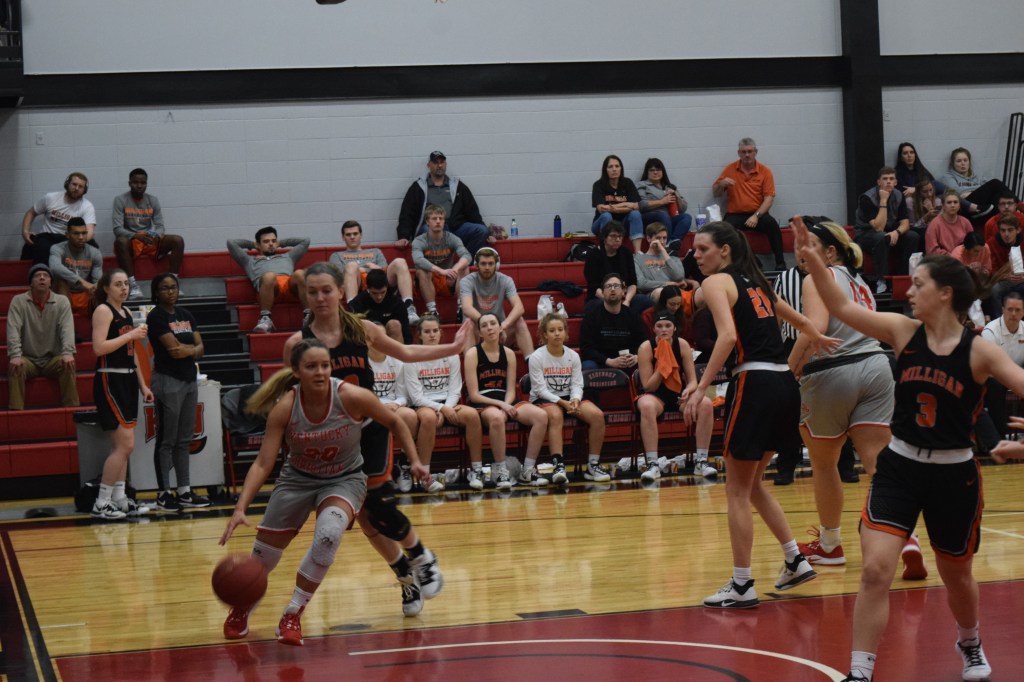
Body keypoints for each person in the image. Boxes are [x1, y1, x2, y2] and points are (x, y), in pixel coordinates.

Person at [794, 224, 1022, 682]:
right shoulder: (903, 331)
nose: (909, 291)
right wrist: (813, 260)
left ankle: (970, 642)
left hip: (954, 476)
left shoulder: (980, 351)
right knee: (876, 570)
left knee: (956, 575)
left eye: (918, 284)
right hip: (899, 467)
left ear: (945, 293)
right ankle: (860, 671)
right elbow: (841, 307)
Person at [283, 262, 472, 616]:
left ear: (341, 292)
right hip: (331, 439)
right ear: (305, 296)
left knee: (378, 506)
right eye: (313, 292)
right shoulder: (297, 344)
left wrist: (453, 347)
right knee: (367, 520)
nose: (320, 297)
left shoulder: (364, 329)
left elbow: (407, 353)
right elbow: (293, 398)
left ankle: (422, 557)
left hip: (369, 429)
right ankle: (405, 576)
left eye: (327, 290)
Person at [219, 339, 421, 645]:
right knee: (264, 557)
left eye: (325, 365)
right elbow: (263, 462)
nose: (320, 372)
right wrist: (240, 508)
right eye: (312, 366)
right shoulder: (285, 407)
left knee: (328, 535)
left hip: (344, 478)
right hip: (297, 479)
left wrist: (416, 460)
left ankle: (293, 613)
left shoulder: (351, 396)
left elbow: (395, 420)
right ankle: (243, 605)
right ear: (296, 372)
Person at [687, 221, 837, 609]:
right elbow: (800, 320)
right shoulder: (758, 283)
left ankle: (741, 584)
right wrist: (817, 337)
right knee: (752, 484)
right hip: (784, 384)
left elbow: (727, 337)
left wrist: (701, 387)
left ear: (724, 250)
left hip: (753, 383)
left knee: (736, 489)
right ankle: (795, 560)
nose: (696, 255)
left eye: (703, 248)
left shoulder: (716, 282)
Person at [786, 220, 896, 568]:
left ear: (830, 252)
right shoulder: (861, 282)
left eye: (809, 244)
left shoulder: (817, 278)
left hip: (833, 371)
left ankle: (830, 545)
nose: (801, 251)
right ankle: (907, 540)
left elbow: (816, 328)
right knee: (878, 463)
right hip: (876, 367)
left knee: (824, 463)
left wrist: (788, 370)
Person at [90, 269, 154, 520]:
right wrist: (131, 334)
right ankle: (102, 502)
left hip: (127, 379)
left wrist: (143, 385)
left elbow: (132, 352)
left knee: (123, 447)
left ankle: (119, 498)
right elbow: (98, 348)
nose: (124, 288)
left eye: (126, 283)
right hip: (110, 378)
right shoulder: (103, 311)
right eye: (118, 284)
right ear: (106, 288)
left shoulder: (126, 312)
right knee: (125, 445)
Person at [146, 273, 209, 513]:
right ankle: (164, 493)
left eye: (173, 287)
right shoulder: (156, 316)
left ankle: (184, 490)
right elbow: (173, 350)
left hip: (189, 380)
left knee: (184, 439)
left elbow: (201, 349)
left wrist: (188, 350)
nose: (170, 291)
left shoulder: (186, 315)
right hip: (167, 380)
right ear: (156, 292)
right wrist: (192, 349)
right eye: (165, 288)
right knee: (166, 439)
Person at [465, 312, 550, 487]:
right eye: (484, 325)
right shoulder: (473, 353)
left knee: (541, 416)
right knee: (497, 418)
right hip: (483, 401)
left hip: (506, 400)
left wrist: (506, 404)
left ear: (500, 327)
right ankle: (501, 471)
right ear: (480, 333)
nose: (489, 328)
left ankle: (528, 470)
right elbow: (473, 394)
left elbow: (511, 390)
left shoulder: (509, 353)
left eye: (493, 323)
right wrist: (501, 405)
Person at [404, 313, 485, 490]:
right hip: (424, 404)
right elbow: (416, 397)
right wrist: (441, 408)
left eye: (435, 331)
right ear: (419, 335)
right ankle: (425, 476)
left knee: (472, 415)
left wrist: (446, 408)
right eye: (427, 332)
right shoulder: (412, 358)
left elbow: (455, 389)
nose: (432, 335)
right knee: (428, 418)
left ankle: (477, 470)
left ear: (441, 332)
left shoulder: (451, 355)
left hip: (448, 403)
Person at [635, 311, 718, 481]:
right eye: (659, 326)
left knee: (706, 403)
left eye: (668, 326)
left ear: (674, 328)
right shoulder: (646, 347)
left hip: (679, 394)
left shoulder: (682, 344)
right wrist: (663, 366)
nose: (663, 330)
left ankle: (701, 461)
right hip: (655, 395)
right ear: (653, 329)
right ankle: (653, 464)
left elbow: (693, 380)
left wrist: (689, 390)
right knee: (646, 405)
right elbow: (648, 386)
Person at [528, 313, 610, 483]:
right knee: (555, 415)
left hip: (568, 398)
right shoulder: (536, 357)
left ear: (566, 332)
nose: (557, 333)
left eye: (560, 329)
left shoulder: (573, 356)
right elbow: (540, 390)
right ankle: (558, 465)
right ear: (544, 335)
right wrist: (562, 403)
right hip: (544, 399)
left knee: (597, 416)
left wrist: (575, 400)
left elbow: (577, 384)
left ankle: (593, 465)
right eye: (552, 330)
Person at [6, 263, 79, 410]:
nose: (41, 278)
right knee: (16, 367)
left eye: (45, 276)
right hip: (28, 359)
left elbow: (67, 329)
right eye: (37, 276)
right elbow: (13, 329)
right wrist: (15, 355)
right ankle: (16, 412)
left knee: (68, 364)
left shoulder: (62, 301)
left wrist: (68, 352)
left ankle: (72, 411)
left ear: (51, 282)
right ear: (31, 283)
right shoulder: (18, 301)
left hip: (52, 358)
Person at [395, 151, 492, 255]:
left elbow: (472, 210)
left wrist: (488, 233)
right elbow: (407, 213)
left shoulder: (458, 186)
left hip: (455, 228)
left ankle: (467, 261)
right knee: (427, 230)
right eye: (436, 162)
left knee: (481, 231)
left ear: (446, 164)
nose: (439, 165)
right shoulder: (418, 188)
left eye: (442, 162)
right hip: (430, 228)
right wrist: (403, 236)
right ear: (428, 165)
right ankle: (436, 262)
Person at [712, 138, 785, 271]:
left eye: (750, 151)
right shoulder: (730, 169)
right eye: (743, 152)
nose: (747, 155)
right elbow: (716, 194)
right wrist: (721, 185)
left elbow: (769, 199)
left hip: (758, 214)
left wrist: (756, 216)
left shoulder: (765, 171)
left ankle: (781, 263)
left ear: (756, 152)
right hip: (735, 215)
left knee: (772, 225)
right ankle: (755, 263)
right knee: (727, 230)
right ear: (738, 153)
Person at [112, 168, 185, 299]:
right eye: (135, 182)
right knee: (120, 241)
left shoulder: (153, 200)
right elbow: (117, 229)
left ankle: (173, 283)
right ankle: (132, 286)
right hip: (132, 240)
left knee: (177, 240)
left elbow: (160, 226)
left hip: (149, 240)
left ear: (146, 183)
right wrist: (135, 235)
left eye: (143, 182)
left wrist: (156, 235)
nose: (139, 185)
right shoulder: (120, 200)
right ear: (129, 183)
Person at [329, 219, 419, 324]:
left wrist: (364, 269)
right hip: (356, 284)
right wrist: (368, 268)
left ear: (361, 235)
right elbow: (340, 276)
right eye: (348, 234)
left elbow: (383, 271)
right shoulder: (336, 256)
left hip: (379, 282)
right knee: (351, 266)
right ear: (343, 237)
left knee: (400, 262)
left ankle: (408, 307)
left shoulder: (375, 251)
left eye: (355, 234)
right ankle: (353, 311)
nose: (352, 237)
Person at [227, 226, 310, 333]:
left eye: (273, 241)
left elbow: (306, 241)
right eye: (266, 241)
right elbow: (231, 243)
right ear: (258, 244)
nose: (271, 244)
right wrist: (253, 245)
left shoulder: (287, 257)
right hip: (268, 290)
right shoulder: (249, 261)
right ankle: (265, 319)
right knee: (269, 276)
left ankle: (309, 316)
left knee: (300, 273)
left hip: (289, 288)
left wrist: (280, 243)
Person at [854, 166, 919, 295]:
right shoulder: (867, 198)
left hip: (889, 232)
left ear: (895, 182)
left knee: (912, 236)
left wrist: (897, 232)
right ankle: (881, 280)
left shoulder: (898, 195)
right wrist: (883, 200)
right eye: (885, 179)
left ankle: (902, 276)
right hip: (865, 235)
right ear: (879, 182)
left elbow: (905, 223)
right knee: (882, 236)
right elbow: (878, 227)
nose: (888, 181)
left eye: (891, 179)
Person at [367, 335, 420, 491]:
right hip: (370, 406)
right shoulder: (362, 362)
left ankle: (404, 465)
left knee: (410, 416)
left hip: (393, 405)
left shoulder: (397, 362)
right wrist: (377, 405)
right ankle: (376, 473)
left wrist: (395, 404)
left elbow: (403, 395)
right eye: (373, 339)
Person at [459, 246, 534, 357]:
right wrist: (487, 324)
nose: (487, 267)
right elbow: (467, 308)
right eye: (483, 264)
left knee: (519, 321)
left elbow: (519, 307)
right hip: (478, 332)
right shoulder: (467, 281)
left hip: (499, 331)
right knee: (468, 323)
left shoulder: (505, 280)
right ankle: (470, 363)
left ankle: (531, 362)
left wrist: (502, 326)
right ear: (476, 265)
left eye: (491, 263)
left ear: (496, 265)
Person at [21, 172, 97, 264]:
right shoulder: (50, 198)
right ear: (67, 184)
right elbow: (31, 213)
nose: (77, 188)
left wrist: (74, 243)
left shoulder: (87, 206)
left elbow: (90, 232)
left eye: (80, 186)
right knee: (41, 248)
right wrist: (25, 232)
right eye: (74, 184)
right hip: (48, 237)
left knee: (93, 246)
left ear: (84, 190)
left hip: (69, 239)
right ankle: (43, 271)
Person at [411, 204, 471, 318]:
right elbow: (418, 260)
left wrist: (455, 269)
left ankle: (461, 309)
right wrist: (440, 270)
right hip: (428, 280)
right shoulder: (419, 240)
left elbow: (467, 255)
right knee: (422, 270)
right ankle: (432, 310)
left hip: (447, 280)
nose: (438, 221)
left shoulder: (452, 238)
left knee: (464, 267)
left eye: (441, 218)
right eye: (434, 218)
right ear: (427, 221)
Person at [580, 273, 649, 371]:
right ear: (602, 292)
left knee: (645, 361)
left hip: (627, 362)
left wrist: (636, 357)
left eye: (616, 286)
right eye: (608, 286)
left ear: (623, 291)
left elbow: (644, 342)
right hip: (601, 362)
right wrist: (609, 361)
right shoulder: (591, 316)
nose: (612, 289)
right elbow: (586, 348)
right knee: (588, 365)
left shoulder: (633, 316)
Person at [981, 292, 1024, 438]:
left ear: (1023, 312)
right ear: (1003, 310)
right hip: (994, 377)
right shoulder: (990, 331)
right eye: (1010, 309)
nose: (1013, 313)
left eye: (1017, 310)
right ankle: (999, 437)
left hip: (1017, 375)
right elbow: (992, 367)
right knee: (996, 387)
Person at [939, 147, 1014, 222]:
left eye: (965, 160)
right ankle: (1017, 204)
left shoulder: (977, 176)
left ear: (969, 162)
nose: (963, 163)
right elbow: (957, 194)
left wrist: (971, 193)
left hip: (982, 204)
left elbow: (986, 190)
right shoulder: (948, 176)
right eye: (959, 161)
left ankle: (1004, 217)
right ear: (953, 164)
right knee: (995, 183)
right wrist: (977, 192)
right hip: (966, 205)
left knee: (998, 195)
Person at [48, 217, 103, 317]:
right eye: (76, 233)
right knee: (60, 280)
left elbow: (97, 280)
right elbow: (55, 267)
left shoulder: (94, 253)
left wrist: (95, 287)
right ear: (67, 235)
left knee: (101, 289)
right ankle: (65, 321)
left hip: (84, 294)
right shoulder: (57, 248)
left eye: (84, 233)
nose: (81, 237)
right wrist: (81, 281)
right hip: (63, 293)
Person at [583, 220, 643, 308]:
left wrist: (627, 300)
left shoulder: (626, 253)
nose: (618, 239)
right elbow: (594, 287)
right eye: (613, 236)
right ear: (604, 238)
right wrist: (613, 302)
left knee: (644, 300)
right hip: (601, 297)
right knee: (596, 306)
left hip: (624, 295)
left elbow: (632, 282)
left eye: (620, 236)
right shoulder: (593, 255)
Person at [591, 154, 643, 252]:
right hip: (601, 223)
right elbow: (601, 209)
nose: (614, 169)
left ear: (621, 168)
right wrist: (627, 206)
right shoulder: (598, 185)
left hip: (623, 223)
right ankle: (604, 251)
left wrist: (613, 208)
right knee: (606, 216)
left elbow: (636, 206)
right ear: (605, 170)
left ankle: (638, 252)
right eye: (610, 167)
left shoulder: (628, 183)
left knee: (635, 214)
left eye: (617, 166)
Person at [634, 222, 696, 303]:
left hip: (676, 292)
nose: (662, 241)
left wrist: (663, 251)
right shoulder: (637, 259)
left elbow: (679, 277)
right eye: (658, 238)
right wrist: (670, 284)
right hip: (654, 293)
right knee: (660, 292)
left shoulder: (673, 259)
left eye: (664, 238)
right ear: (648, 238)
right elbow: (641, 284)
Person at [348, 269, 413, 344]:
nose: (379, 297)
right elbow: (353, 332)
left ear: (387, 287)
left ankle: (397, 352)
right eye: (374, 293)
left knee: (394, 325)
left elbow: (406, 332)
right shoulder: (357, 303)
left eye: (382, 292)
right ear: (367, 288)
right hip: (368, 341)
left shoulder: (397, 303)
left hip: (393, 342)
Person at [636, 157, 692, 242]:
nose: (655, 172)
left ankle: (672, 244)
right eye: (652, 170)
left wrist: (676, 196)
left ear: (663, 171)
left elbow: (683, 209)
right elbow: (641, 205)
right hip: (649, 218)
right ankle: (665, 246)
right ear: (647, 172)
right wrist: (662, 202)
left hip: (668, 219)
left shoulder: (670, 186)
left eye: (658, 170)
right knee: (663, 215)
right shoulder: (642, 185)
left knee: (686, 217)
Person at [987, 214, 1024, 318]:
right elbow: (992, 270)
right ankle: (1000, 321)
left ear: (1018, 230)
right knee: (995, 290)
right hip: (1003, 280)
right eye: (1003, 230)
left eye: (1010, 230)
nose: (1006, 234)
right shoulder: (991, 243)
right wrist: (1006, 276)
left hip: (1022, 279)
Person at [925, 189, 973, 256]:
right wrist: (951, 256)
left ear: (959, 205)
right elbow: (931, 250)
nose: (952, 205)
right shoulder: (934, 225)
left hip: (963, 258)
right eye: (949, 202)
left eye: (955, 202)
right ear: (943, 205)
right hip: (944, 260)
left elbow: (972, 243)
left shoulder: (965, 222)